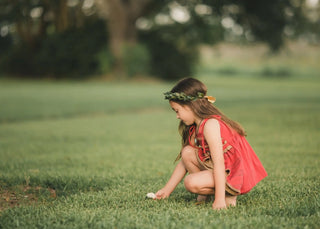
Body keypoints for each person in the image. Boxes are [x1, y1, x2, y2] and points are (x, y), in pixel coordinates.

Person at [155, 77, 267, 210]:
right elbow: (184, 163)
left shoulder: (210, 125)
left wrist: (219, 200)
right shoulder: (194, 127)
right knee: (187, 152)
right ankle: (204, 196)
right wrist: (166, 190)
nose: (177, 116)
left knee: (190, 182)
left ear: (190, 106)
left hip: (234, 173)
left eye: (177, 111)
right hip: (224, 170)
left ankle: (228, 195)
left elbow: (219, 162)